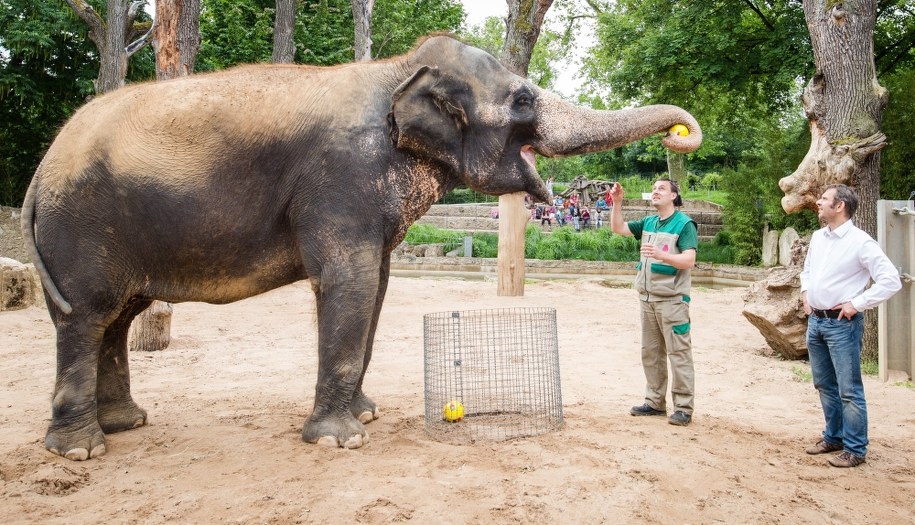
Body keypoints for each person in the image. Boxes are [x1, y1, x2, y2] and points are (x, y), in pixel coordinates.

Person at [800, 184, 901, 468]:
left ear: (840, 205)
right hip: (816, 321)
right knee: (823, 384)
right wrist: (806, 294)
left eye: (824, 199)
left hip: (842, 325)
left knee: (849, 389)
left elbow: (891, 280)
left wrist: (857, 304)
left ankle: (856, 449)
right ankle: (834, 437)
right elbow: (807, 270)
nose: (818, 203)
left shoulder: (861, 242)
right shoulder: (819, 237)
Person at [609, 178, 697, 426]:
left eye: (662, 189)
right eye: (654, 189)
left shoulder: (684, 223)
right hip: (647, 299)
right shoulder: (649, 222)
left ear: (673, 196)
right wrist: (617, 203)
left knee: (678, 353)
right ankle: (655, 402)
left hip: (673, 301)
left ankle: (683, 407)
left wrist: (662, 255)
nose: (655, 192)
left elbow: (689, 260)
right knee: (651, 353)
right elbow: (619, 228)